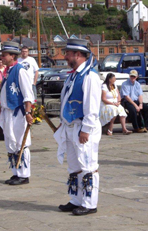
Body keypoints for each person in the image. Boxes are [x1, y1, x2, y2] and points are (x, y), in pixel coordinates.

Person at [53, 38, 101, 216]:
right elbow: (66, 101)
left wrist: (86, 130)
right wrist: (62, 121)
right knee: (74, 165)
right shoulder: (73, 75)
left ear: (78, 54)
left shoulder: (90, 76)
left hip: (83, 126)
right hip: (71, 125)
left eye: (68, 53)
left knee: (87, 164)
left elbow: (92, 107)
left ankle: (89, 203)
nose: (65, 56)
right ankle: (76, 199)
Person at [0, 41, 35, 185]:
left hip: (18, 111)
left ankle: (24, 174)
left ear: (13, 56)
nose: (2, 58)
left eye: (5, 55)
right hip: (8, 111)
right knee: (11, 142)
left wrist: (28, 112)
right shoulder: (8, 71)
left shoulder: (20, 70)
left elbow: (27, 93)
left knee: (21, 142)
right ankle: (16, 171)